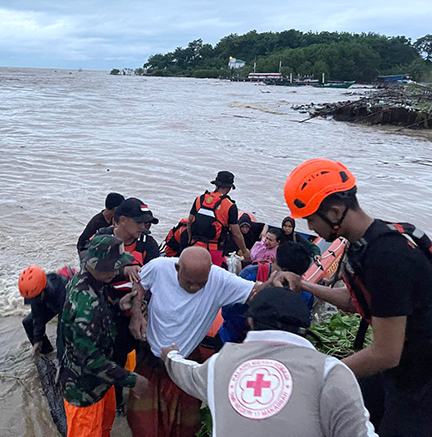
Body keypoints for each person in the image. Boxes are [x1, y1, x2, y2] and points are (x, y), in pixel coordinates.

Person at [283, 158, 432, 436]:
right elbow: (355, 302)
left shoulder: (387, 257)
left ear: (336, 212)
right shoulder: (364, 243)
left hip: (420, 377)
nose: (310, 227)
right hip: (403, 365)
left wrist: (321, 373)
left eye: (311, 219)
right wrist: (304, 285)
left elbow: (386, 354)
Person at [162, 287, 377, 437]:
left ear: (250, 322)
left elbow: (187, 373)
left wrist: (170, 356)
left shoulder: (220, 363)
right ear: (305, 325)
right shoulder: (330, 371)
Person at [125, 246, 292, 437]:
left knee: (184, 427)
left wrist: (271, 283)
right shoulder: (159, 267)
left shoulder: (219, 279)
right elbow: (139, 283)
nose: (194, 288)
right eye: (189, 283)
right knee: (143, 425)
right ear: (177, 268)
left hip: (185, 364)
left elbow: (254, 293)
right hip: (151, 357)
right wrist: (136, 313)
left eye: (200, 284)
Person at [59, 235, 149, 437]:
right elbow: (89, 359)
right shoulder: (85, 307)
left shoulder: (89, 280)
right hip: (83, 391)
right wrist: (131, 379)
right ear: (103, 267)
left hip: (101, 383)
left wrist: (118, 305)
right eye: (116, 266)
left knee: (104, 429)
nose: (118, 271)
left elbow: (98, 314)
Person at [90, 197, 160, 413]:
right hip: (108, 309)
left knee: (142, 353)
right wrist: (123, 269)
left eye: (146, 223)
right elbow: (91, 270)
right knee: (112, 357)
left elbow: (154, 283)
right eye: (139, 222)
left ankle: (139, 397)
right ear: (122, 220)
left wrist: (140, 311)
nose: (143, 227)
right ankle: (116, 401)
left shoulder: (148, 245)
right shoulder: (100, 238)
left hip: (137, 307)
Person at [219, 242, 314, 345]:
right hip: (234, 340)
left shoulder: (305, 295)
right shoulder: (251, 275)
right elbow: (227, 310)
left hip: (272, 347)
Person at [188, 171, 250, 267]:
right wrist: (245, 251)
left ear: (216, 185)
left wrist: (190, 240)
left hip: (195, 247)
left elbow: (189, 222)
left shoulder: (200, 199)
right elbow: (236, 234)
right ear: (229, 188)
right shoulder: (230, 206)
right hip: (214, 251)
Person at [19, 265, 76, 355]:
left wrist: (60, 359)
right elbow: (37, 317)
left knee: (65, 334)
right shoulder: (35, 289)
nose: (34, 302)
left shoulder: (61, 290)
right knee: (28, 322)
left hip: (68, 301)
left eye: (35, 298)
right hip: (50, 301)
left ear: (44, 289)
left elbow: (63, 327)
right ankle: (46, 351)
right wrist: (37, 341)